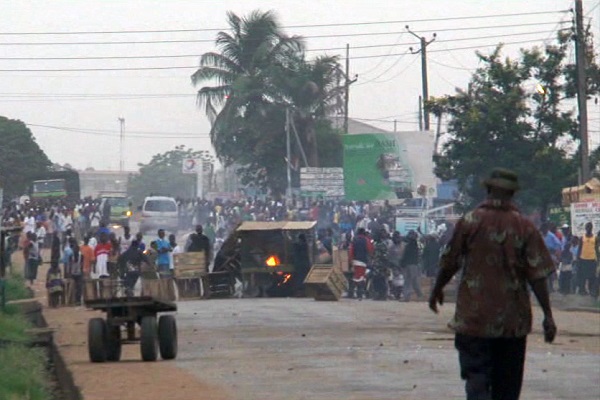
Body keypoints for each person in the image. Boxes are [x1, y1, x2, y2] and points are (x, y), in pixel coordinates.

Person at [429, 168, 556, 400]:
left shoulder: (469, 222)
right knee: (507, 386)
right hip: (512, 323)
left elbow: (450, 262)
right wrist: (548, 315)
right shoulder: (525, 227)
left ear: (487, 189)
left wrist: (437, 289)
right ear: (513, 194)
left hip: (473, 318)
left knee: (476, 378)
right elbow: (537, 276)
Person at [348, 228, 374, 300]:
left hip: (355, 261)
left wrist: (351, 261)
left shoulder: (354, 240)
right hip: (363, 261)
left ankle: (352, 292)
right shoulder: (366, 240)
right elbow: (370, 250)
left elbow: (351, 251)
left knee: (356, 277)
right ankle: (359, 294)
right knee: (361, 277)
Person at [577, 222, 598, 297]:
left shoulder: (595, 238)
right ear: (585, 228)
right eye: (587, 227)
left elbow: (596, 249)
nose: (588, 229)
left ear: (592, 228)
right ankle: (582, 290)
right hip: (583, 259)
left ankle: (591, 290)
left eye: (590, 227)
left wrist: (598, 259)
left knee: (592, 276)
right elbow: (579, 248)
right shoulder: (582, 238)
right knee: (582, 276)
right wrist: (578, 258)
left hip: (592, 259)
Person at [401, 230, 422, 302]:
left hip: (412, 264)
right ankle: (408, 296)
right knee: (410, 281)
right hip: (411, 264)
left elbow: (406, 255)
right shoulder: (411, 245)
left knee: (411, 281)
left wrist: (403, 262)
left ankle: (418, 294)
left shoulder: (415, 245)